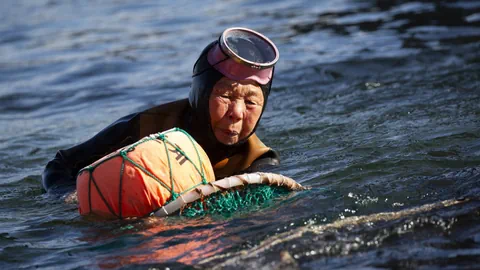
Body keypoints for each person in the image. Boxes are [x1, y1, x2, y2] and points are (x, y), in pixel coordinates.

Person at [42, 27, 281, 194]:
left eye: (251, 103)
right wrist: (69, 197)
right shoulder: (148, 127)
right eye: (226, 96)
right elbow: (61, 165)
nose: (237, 112)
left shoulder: (258, 162)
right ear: (201, 93)